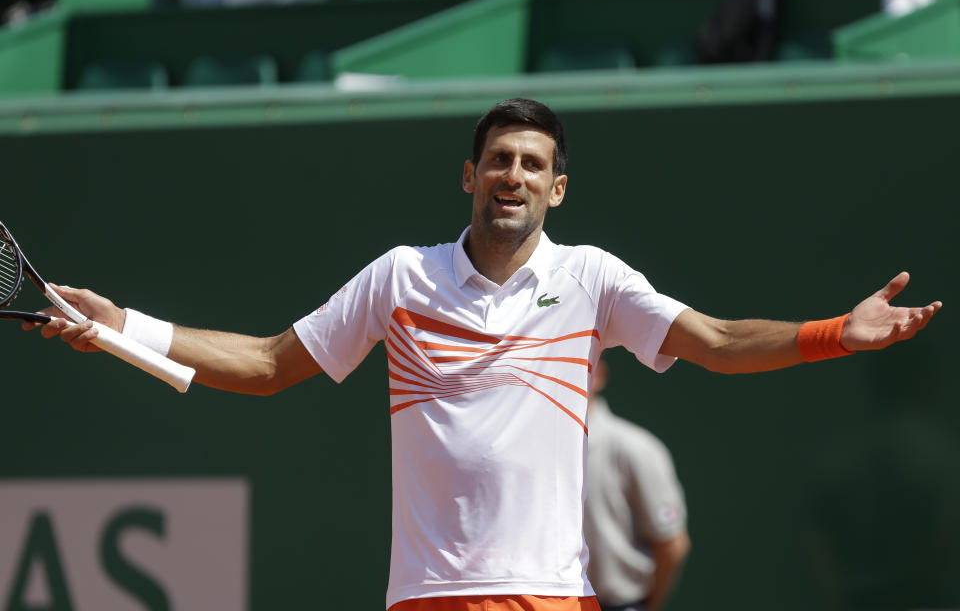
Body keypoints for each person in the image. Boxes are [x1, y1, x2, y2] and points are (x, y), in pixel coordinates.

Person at [27, 98, 941, 611]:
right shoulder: (400, 278)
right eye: (499, 159)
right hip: (424, 599)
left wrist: (833, 333)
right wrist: (121, 325)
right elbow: (269, 365)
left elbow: (716, 343)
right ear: (470, 176)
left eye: (533, 164)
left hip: (549, 598)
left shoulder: (591, 278)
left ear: (558, 187)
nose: (514, 176)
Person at [584, 358, 690, 611]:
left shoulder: (636, 448)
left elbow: (672, 545)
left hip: (618, 604)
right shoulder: (529, 449)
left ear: (598, 375)